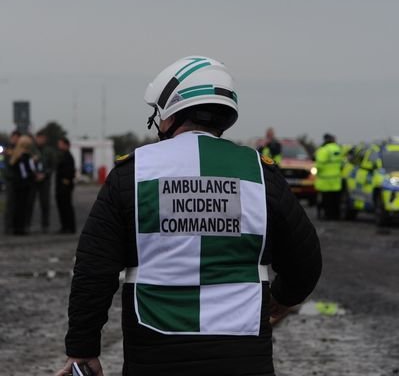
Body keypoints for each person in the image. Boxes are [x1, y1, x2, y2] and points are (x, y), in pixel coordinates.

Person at [56, 56, 322, 376]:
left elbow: (93, 270)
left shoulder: (133, 174)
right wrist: (281, 298)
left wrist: (83, 351)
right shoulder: (260, 174)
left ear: (171, 110)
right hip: (243, 359)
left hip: (154, 357)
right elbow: (305, 261)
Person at [26, 130, 55, 233]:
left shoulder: (49, 151)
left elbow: (52, 165)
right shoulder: (31, 150)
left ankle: (45, 225)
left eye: (42, 138)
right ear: (36, 138)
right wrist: (34, 174)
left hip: (44, 181)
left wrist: (45, 174)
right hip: (33, 180)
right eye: (39, 138)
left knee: (45, 203)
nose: (40, 140)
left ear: (45, 139)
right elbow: (27, 164)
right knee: (29, 203)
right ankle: (27, 225)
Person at [8, 135, 36, 235]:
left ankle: (16, 227)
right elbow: (26, 172)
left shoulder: (15, 156)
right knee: (23, 208)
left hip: (17, 185)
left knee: (17, 207)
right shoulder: (25, 157)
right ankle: (21, 228)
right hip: (24, 186)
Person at [315, 133, 343, 220]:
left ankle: (328, 215)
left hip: (325, 180)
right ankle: (336, 216)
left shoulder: (324, 150)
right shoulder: (338, 149)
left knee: (327, 200)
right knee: (336, 200)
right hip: (336, 179)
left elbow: (319, 164)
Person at [55, 137, 76, 234]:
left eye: (61, 143)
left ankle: (69, 227)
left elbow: (69, 173)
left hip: (65, 186)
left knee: (66, 206)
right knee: (62, 207)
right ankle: (65, 226)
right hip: (61, 186)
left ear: (66, 145)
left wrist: (65, 185)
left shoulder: (68, 157)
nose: (59, 145)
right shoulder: (62, 155)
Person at [3, 130, 21, 234]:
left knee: (16, 204)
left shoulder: (18, 149)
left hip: (17, 180)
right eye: (15, 137)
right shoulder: (8, 149)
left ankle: (14, 226)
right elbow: (9, 164)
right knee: (10, 204)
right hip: (10, 180)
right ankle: (7, 227)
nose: (16, 140)